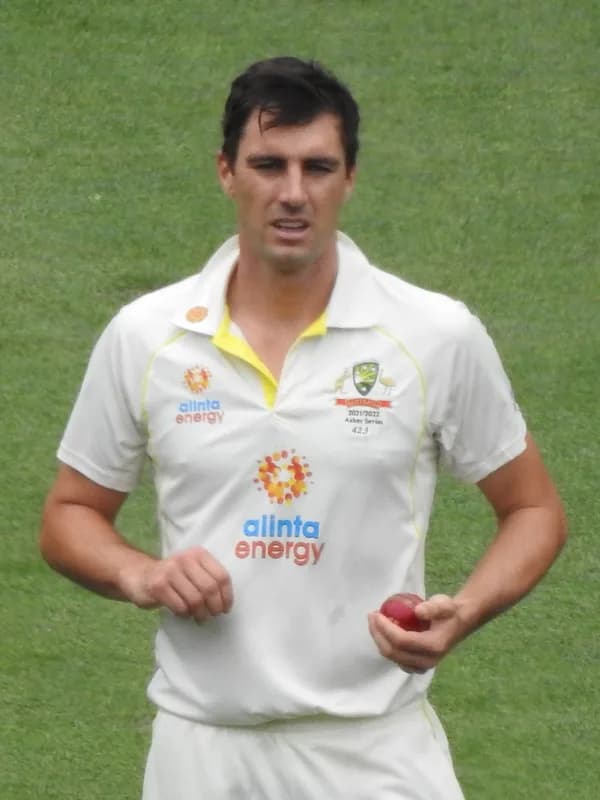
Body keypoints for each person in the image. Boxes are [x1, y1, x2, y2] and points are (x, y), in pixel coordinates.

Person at [40, 56, 567, 799]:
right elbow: (70, 513)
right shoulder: (146, 335)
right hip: (201, 752)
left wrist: (467, 611)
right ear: (226, 172)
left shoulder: (433, 335)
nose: (293, 193)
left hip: (375, 753)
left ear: (349, 178)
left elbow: (534, 508)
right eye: (268, 165)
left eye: (317, 167)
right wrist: (143, 574)